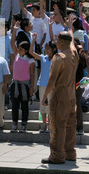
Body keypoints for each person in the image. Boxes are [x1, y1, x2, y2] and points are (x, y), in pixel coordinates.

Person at [40, 12, 79, 164]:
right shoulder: (74, 54)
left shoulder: (59, 57)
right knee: (70, 125)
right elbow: (72, 42)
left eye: (57, 39)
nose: (55, 41)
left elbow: (52, 79)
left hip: (60, 95)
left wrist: (44, 97)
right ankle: (70, 153)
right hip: (71, 96)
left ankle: (56, 155)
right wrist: (69, 28)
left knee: (57, 125)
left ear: (61, 41)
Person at [29, 35, 58, 134]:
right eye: (45, 48)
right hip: (42, 84)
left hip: (52, 85)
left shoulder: (56, 59)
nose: (46, 50)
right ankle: (44, 124)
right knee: (43, 105)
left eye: (48, 49)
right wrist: (33, 41)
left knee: (50, 105)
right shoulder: (43, 58)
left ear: (54, 49)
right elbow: (31, 52)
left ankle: (50, 125)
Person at [10, 27, 35, 133]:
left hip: (25, 85)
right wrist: (15, 31)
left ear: (25, 50)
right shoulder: (17, 55)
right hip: (15, 84)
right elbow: (12, 43)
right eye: (18, 49)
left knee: (24, 105)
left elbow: (32, 74)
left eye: (21, 49)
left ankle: (24, 124)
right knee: (15, 105)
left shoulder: (31, 60)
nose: (18, 50)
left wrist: (32, 87)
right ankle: (15, 123)